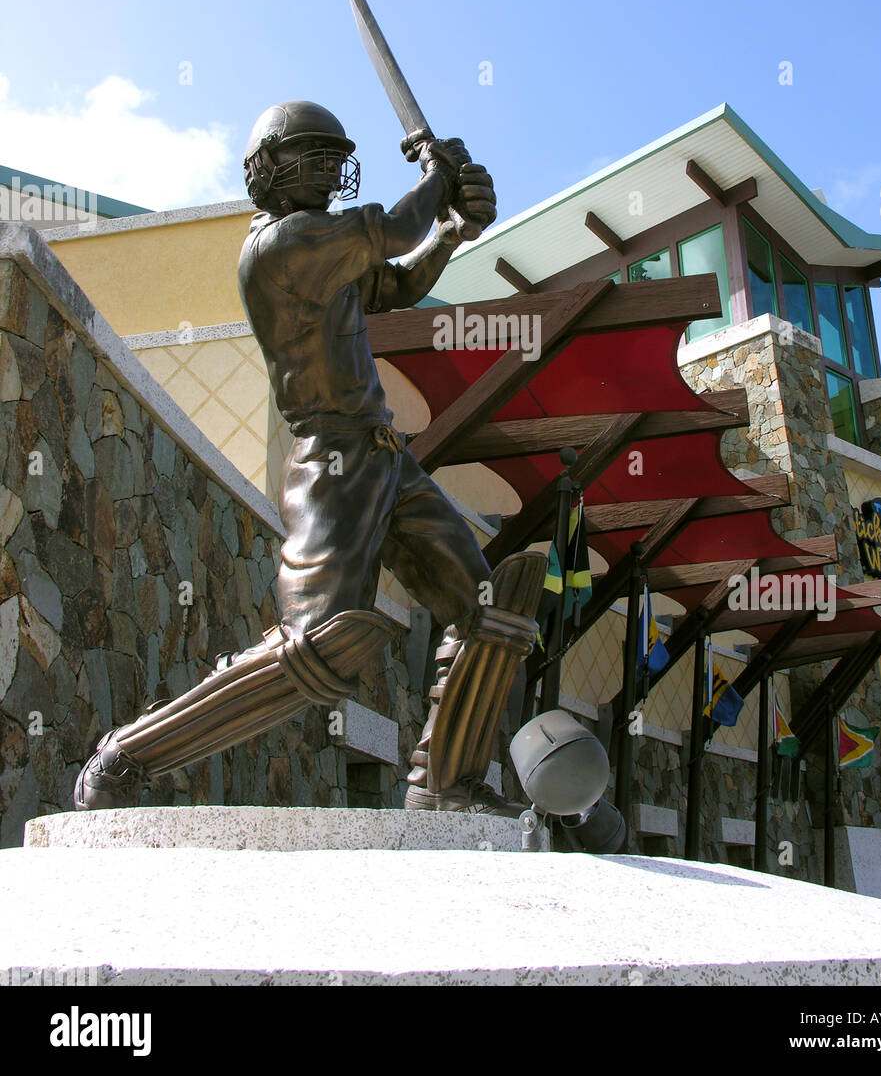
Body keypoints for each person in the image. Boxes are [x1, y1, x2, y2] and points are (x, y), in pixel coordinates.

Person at [75, 101, 542, 815]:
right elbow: (391, 231)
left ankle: (448, 786)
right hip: (331, 460)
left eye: (334, 159)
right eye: (311, 158)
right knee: (314, 649)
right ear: (268, 169)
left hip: (386, 456)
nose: (328, 173)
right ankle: (128, 755)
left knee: (489, 613)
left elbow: (400, 282)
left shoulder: (329, 248)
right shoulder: (283, 243)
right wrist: (437, 181)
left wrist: (452, 228)